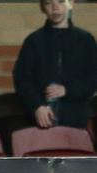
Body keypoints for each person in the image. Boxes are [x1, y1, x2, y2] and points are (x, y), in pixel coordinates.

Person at [13, 0, 97, 129]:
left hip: (76, 119)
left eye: (61, 1)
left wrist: (67, 90)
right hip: (40, 119)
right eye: (48, 3)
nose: (55, 8)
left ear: (71, 4)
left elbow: (93, 79)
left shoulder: (85, 40)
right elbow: (22, 79)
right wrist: (37, 106)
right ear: (42, 7)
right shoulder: (34, 40)